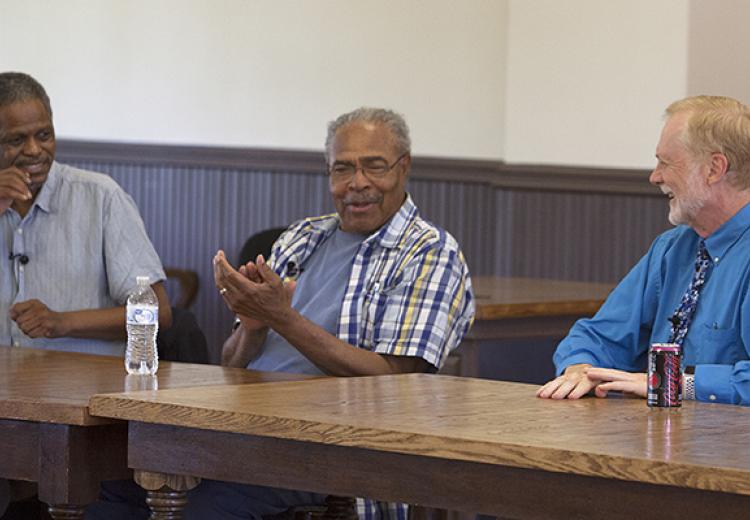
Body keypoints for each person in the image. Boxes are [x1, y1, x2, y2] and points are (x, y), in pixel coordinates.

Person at [186, 107, 474, 519]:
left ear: (404, 167)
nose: (357, 183)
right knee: (114, 489)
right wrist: (252, 327)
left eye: (374, 166)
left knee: (194, 507)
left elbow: (394, 380)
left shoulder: (429, 252)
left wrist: (283, 318)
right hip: (241, 432)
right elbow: (230, 366)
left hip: (330, 455)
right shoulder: (302, 237)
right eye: (342, 169)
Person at [537, 95, 750, 406]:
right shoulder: (672, 249)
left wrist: (669, 381)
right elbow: (600, 335)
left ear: (714, 168)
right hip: (661, 442)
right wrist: (580, 369)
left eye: (666, 162)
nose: (655, 176)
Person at [0, 71, 171, 356]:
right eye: (16, 140)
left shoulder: (101, 197)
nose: (34, 150)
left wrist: (62, 322)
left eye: (44, 135)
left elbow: (157, 314)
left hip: (83, 388)